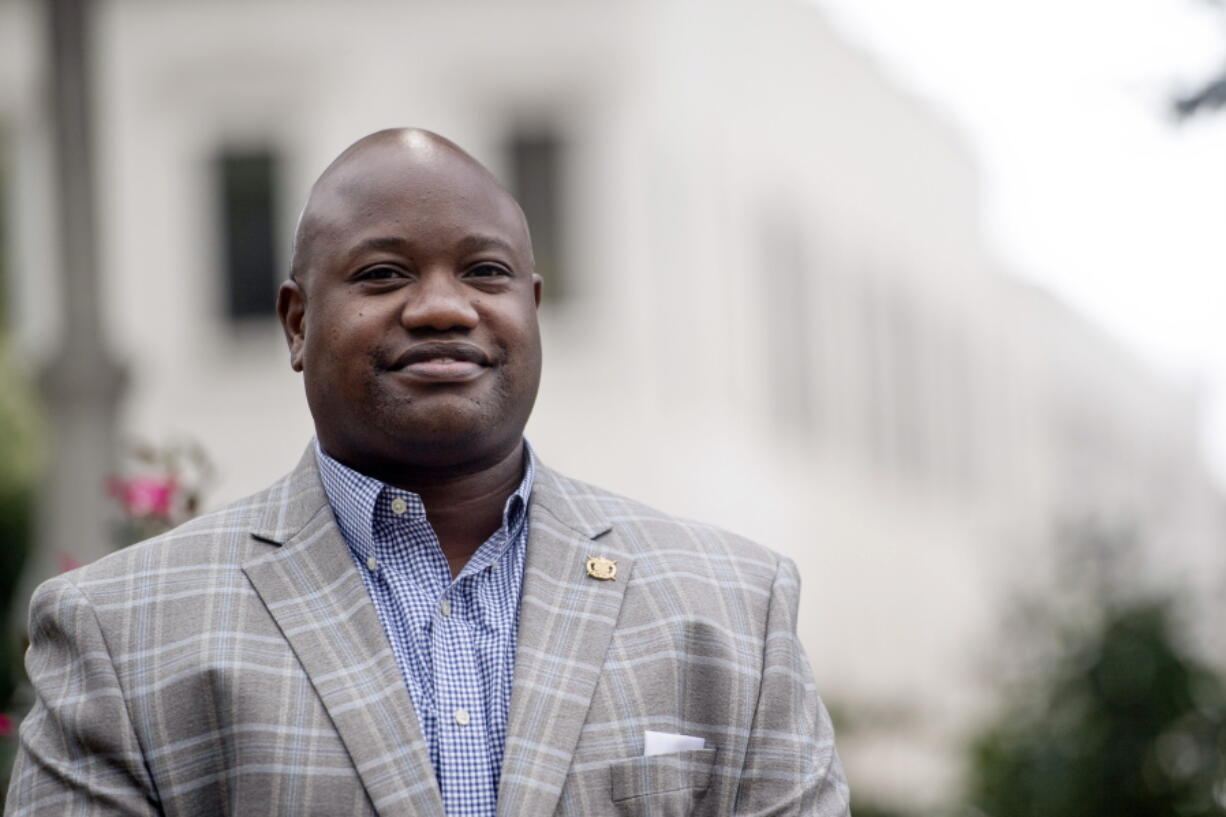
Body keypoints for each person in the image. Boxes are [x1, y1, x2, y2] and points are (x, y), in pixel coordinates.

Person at [7, 129, 850, 816]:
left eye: (486, 271)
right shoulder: (122, 633)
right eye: (383, 274)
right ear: (297, 323)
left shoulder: (736, 608)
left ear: (532, 307)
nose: (445, 307)